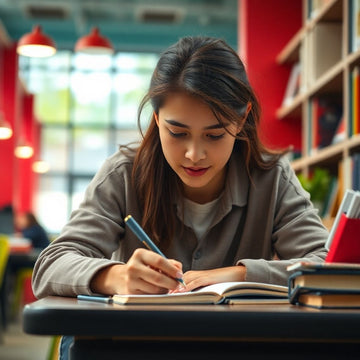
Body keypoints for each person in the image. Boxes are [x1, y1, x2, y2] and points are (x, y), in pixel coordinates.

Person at [33, 36, 328, 299]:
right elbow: (51, 265)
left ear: (241, 120)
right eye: (177, 133)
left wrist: (238, 276)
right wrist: (117, 276)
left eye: (214, 135)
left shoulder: (272, 178)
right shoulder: (123, 173)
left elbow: (328, 263)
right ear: (158, 117)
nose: (194, 154)